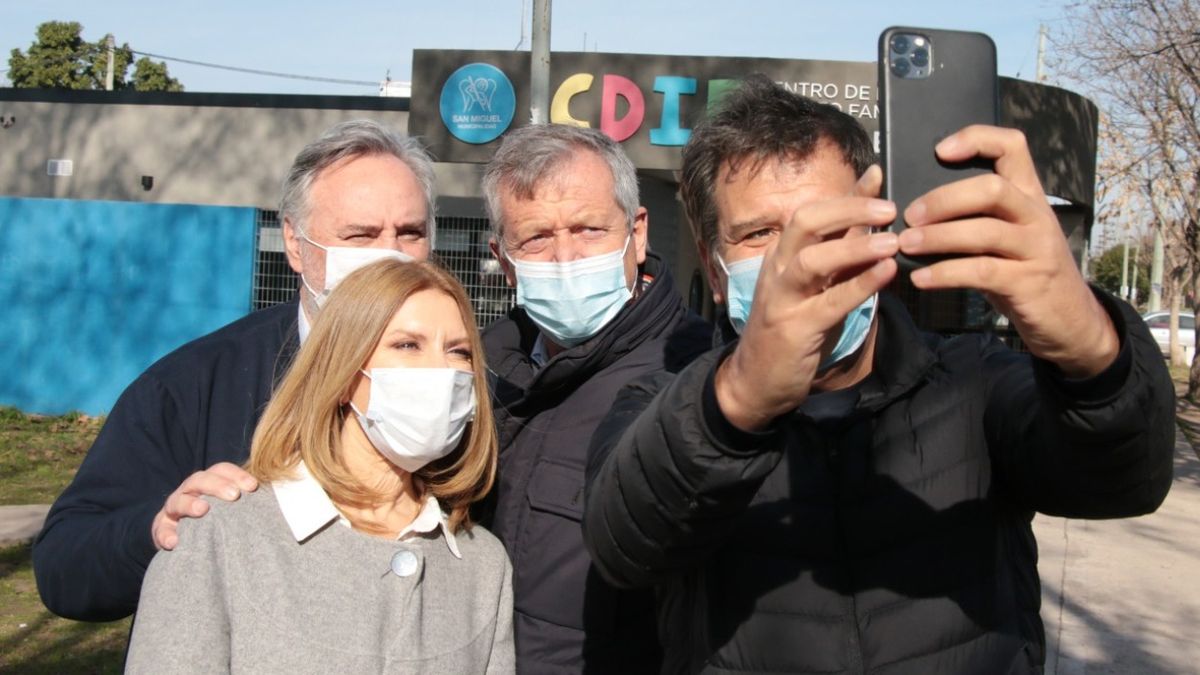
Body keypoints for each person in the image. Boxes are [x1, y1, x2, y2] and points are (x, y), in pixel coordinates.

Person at [583, 75, 1176, 674]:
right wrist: (737, 403)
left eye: (831, 225)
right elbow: (625, 546)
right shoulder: (664, 404)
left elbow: (1122, 482)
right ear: (714, 274)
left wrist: (1091, 351)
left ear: (879, 241)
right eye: (761, 233)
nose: (802, 260)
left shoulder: (976, 383)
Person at [34, 119, 437, 622]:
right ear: (295, 243)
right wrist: (155, 529)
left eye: (410, 233)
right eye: (360, 235)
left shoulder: (468, 393)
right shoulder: (193, 384)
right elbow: (64, 569)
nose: (388, 255)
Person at [125, 258, 513, 673]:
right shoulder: (221, 535)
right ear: (345, 371)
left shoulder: (482, 567)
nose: (441, 369)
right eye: (407, 345)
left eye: (459, 351)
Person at [480, 124, 710, 672]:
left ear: (637, 232)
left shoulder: (698, 374)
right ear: (503, 257)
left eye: (588, 229)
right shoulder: (477, 364)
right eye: (536, 237)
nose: (565, 257)